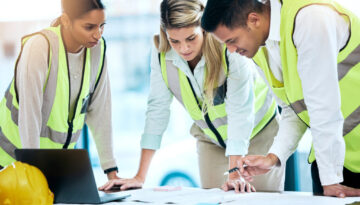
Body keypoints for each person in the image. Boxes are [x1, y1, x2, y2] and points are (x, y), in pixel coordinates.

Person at [99, 0, 284, 193]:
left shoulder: (229, 46)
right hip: (210, 140)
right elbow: (157, 109)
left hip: (258, 133)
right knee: (216, 200)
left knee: (254, 199)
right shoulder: (161, 53)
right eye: (175, 41)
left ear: (202, 29)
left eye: (191, 38)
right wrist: (140, 176)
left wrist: (235, 171)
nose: (184, 49)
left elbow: (240, 111)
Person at [201, 0, 360, 197]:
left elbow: (323, 108)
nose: (230, 50)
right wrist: (273, 157)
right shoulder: (260, 48)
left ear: (253, 20)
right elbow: (294, 108)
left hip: (336, 169)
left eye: (232, 40)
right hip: (338, 162)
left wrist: (330, 179)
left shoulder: (310, 19)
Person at [0, 0, 119, 181]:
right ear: (65, 20)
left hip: (52, 167)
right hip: (8, 163)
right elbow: (29, 115)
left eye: (102, 26)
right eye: (89, 27)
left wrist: (112, 174)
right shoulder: (40, 47)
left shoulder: (97, 50)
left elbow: (101, 110)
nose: (98, 34)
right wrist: (33, 174)